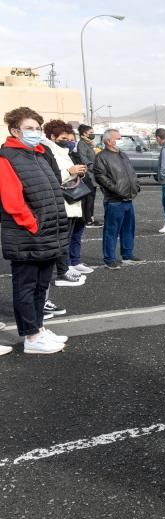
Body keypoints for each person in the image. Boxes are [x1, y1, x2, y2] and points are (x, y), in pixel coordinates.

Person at [0, 107, 70, 354]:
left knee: (42, 286)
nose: (35, 133)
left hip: (47, 235)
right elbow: (12, 202)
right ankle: (31, 337)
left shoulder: (38, 155)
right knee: (27, 287)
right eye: (29, 129)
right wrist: (33, 225)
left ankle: (38, 328)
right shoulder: (7, 157)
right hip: (28, 236)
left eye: (37, 128)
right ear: (15, 130)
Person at [41, 120, 93, 282]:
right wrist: (69, 171)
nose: (69, 141)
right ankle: (63, 270)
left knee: (69, 237)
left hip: (73, 200)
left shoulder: (62, 152)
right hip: (62, 202)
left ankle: (68, 266)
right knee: (62, 239)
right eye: (64, 138)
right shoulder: (48, 152)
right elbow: (51, 177)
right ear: (52, 136)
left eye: (70, 139)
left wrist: (78, 173)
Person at [94, 129, 142, 269]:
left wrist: (136, 186)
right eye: (118, 138)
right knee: (111, 231)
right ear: (109, 141)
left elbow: (131, 172)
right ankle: (109, 258)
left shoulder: (122, 155)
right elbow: (101, 177)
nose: (121, 140)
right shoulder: (101, 157)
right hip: (114, 200)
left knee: (128, 229)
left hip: (128, 199)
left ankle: (127, 254)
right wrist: (118, 190)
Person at [76, 124, 100, 227]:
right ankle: (88, 220)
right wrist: (94, 168)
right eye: (91, 132)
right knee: (88, 198)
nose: (93, 134)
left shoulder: (89, 144)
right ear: (84, 133)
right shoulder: (82, 144)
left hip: (92, 174)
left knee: (91, 197)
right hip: (88, 175)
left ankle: (90, 217)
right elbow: (84, 159)